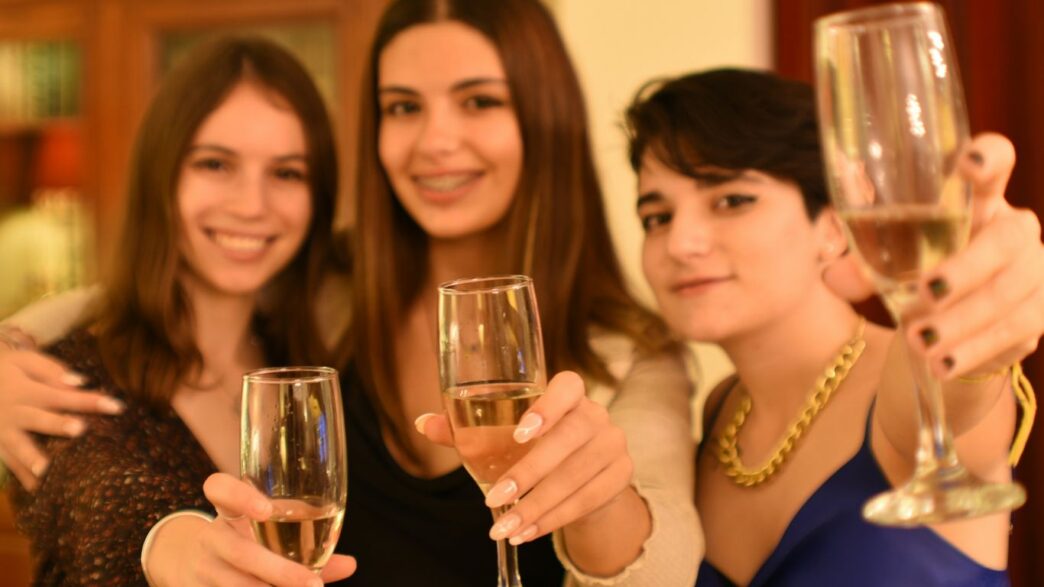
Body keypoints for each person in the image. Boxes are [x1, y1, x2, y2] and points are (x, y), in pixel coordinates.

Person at [1, 1, 701, 585]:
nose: (435, 140)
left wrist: (601, 500)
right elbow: (152, 292)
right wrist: (6, 347)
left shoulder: (631, 352)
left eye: (479, 101)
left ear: (546, 117)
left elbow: (666, 563)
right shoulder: (334, 290)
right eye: (403, 107)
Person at [625, 68, 1043, 586]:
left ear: (833, 223)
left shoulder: (903, 376)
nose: (680, 243)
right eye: (657, 217)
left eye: (731, 200)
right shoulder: (719, 409)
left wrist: (976, 320)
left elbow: (952, 392)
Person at [4, 36, 358, 586]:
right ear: (161, 176)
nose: (252, 205)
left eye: (287, 173)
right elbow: (96, 497)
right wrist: (172, 546)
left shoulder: (314, 360)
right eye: (215, 164)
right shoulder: (65, 374)